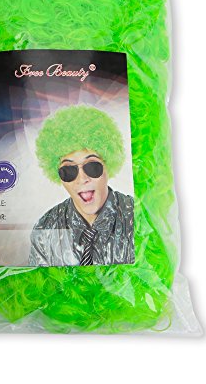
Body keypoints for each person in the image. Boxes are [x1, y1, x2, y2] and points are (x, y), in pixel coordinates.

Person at [28, 105, 134, 266]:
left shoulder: (136, 217)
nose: (82, 179)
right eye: (69, 170)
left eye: (92, 166)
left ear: (108, 166)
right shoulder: (46, 228)